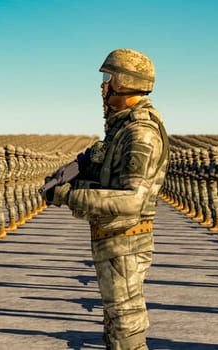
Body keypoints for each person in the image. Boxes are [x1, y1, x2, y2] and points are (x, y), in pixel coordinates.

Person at [44, 48, 167, 350]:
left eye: (107, 78)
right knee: (115, 321)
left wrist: (68, 195)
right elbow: (108, 182)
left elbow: (131, 201)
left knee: (126, 324)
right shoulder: (122, 129)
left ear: (124, 82)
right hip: (113, 240)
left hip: (125, 241)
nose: (102, 86)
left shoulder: (140, 134)